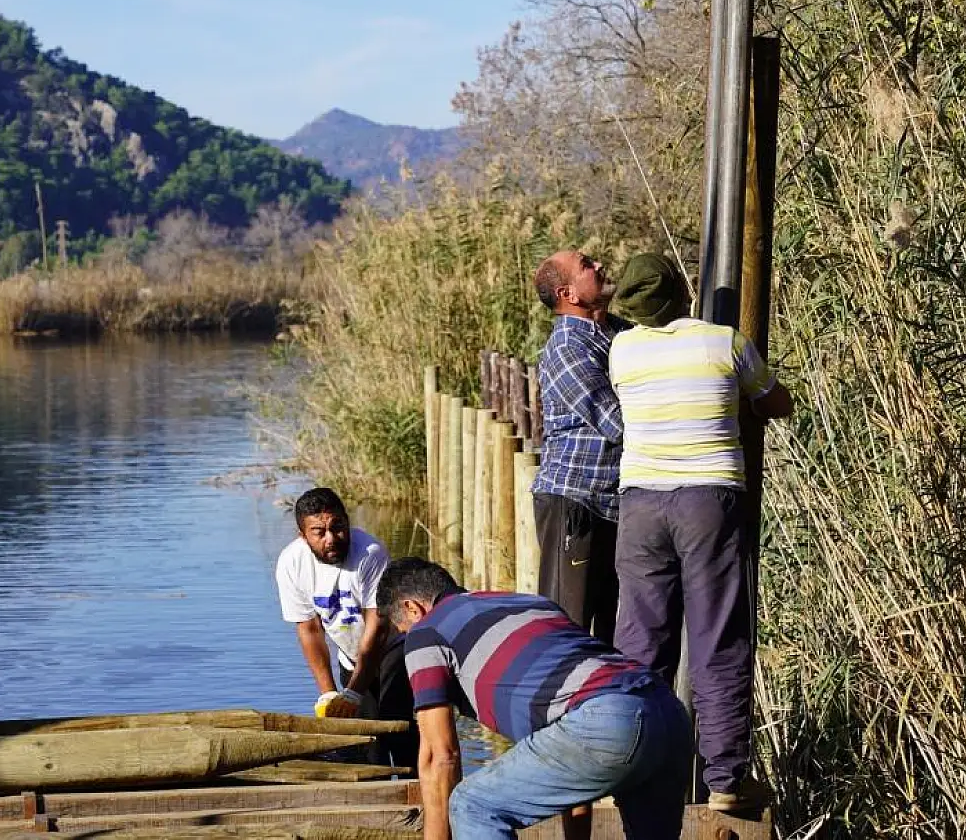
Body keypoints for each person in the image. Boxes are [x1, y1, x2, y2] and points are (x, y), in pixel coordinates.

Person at [607, 253, 794, 813]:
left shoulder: (622, 350)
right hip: (708, 498)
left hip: (639, 502)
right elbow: (775, 402)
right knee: (717, 635)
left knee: (640, 641)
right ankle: (726, 779)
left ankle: (633, 771)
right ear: (683, 291)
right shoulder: (724, 342)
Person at [377, 556, 691, 840]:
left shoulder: (425, 631)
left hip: (606, 723)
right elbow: (573, 770)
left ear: (412, 609)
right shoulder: (531, 604)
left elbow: (440, 756)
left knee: (472, 804)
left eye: (401, 629)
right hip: (666, 713)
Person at [274, 486, 418, 768]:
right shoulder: (291, 563)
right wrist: (329, 694)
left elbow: (376, 628)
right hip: (349, 656)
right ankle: (377, 803)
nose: (332, 539)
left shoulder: (370, 553)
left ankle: (417, 795)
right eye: (319, 532)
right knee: (365, 741)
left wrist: (353, 693)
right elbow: (310, 629)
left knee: (399, 729)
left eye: (338, 527)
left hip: (394, 649)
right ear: (303, 536)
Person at [531, 250, 628, 644]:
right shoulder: (569, 348)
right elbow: (617, 422)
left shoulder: (615, 332)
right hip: (575, 502)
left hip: (614, 504)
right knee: (565, 630)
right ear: (567, 292)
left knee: (615, 633)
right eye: (587, 265)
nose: (600, 266)